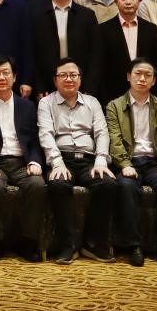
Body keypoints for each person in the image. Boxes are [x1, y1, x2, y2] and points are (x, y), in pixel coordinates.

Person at [38, 58, 117, 264]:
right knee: (58, 185)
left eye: (73, 75)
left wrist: (101, 161)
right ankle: (68, 245)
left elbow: (102, 133)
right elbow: (46, 135)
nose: (69, 79)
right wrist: (57, 163)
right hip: (62, 158)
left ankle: (91, 243)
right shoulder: (46, 103)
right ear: (55, 80)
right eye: (63, 75)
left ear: (80, 79)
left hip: (89, 160)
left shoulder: (92, 102)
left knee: (108, 184)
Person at [105, 58, 157, 267]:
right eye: (137, 74)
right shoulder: (114, 106)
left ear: (154, 81)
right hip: (129, 162)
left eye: (148, 75)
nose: (142, 78)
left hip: (155, 162)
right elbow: (114, 140)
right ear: (129, 77)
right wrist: (124, 164)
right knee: (125, 186)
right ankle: (133, 245)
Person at [0, 55, 46, 262]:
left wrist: (35, 161)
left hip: (22, 162)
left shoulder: (28, 106)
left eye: (6, 73)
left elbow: (35, 140)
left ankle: (29, 242)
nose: (1, 77)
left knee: (37, 185)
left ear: (14, 77)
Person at [33, 0, 100, 98]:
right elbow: (33, 54)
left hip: (82, 87)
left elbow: (96, 54)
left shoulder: (87, 16)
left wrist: (89, 87)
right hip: (48, 88)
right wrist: (39, 86)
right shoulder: (37, 17)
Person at [97, 0, 157, 105]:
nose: (128, 2)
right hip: (114, 94)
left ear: (139, 0)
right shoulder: (103, 30)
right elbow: (100, 65)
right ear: (116, 1)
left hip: (146, 93)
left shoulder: (150, 29)